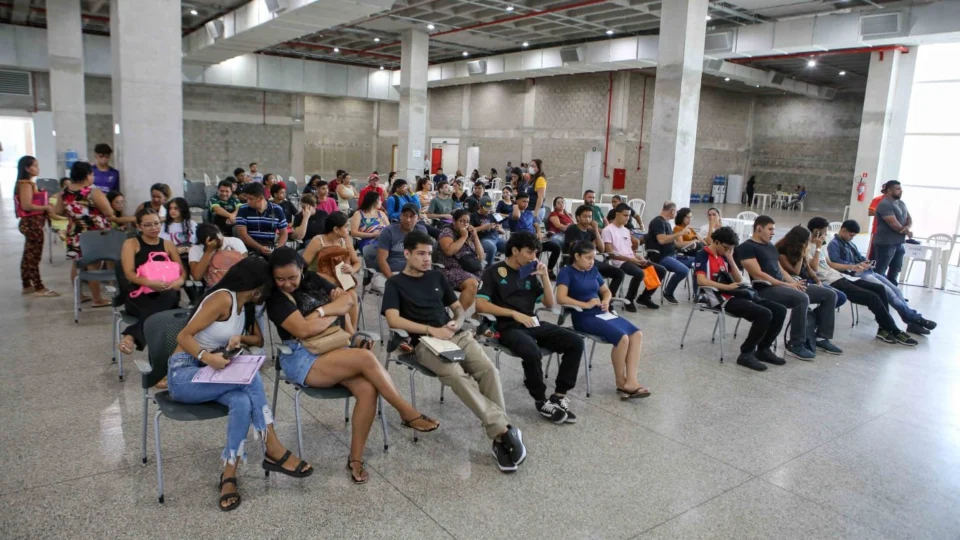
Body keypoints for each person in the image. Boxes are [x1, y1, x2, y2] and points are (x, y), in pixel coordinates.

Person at [268, 247, 440, 483]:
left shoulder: (313, 279)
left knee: (368, 389)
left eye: (292, 277)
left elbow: (349, 299)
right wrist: (333, 309)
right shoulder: (276, 299)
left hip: (331, 346)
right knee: (365, 358)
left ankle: (356, 459)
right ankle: (406, 412)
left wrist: (319, 313)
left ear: (302, 270)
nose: (287, 284)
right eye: (280, 279)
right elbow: (303, 330)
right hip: (300, 356)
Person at [169, 257, 309, 510]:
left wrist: (237, 339)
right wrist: (207, 357)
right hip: (184, 373)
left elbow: (257, 339)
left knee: (243, 402)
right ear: (257, 288)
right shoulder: (222, 298)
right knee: (250, 377)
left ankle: (229, 475)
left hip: (209, 373)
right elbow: (183, 335)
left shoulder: (245, 307)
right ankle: (272, 446)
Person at [382, 231, 526, 472]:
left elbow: (458, 308)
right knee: (456, 375)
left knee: (488, 370)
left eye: (429, 254)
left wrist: (457, 321)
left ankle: (500, 435)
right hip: (425, 343)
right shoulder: (395, 284)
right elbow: (393, 320)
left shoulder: (436, 277)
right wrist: (431, 330)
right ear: (406, 254)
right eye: (420, 254)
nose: (426, 259)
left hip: (456, 335)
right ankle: (504, 431)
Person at [476, 232, 584, 424]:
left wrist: (545, 277)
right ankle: (541, 401)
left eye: (536, 253)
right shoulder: (493, 272)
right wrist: (513, 313)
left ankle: (559, 396)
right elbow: (481, 306)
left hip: (532, 322)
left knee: (575, 341)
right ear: (515, 250)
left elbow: (549, 304)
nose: (533, 257)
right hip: (506, 327)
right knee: (532, 351)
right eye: (529, 252)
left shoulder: (529, 272)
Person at [736, 215, 840, 360]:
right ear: (759, 228)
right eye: (770, 229)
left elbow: (780, 270)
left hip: (782, 285)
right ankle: (796, 344)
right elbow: (758, 274)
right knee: (801, 298)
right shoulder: (747, 247)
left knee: (829, 295)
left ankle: (822, 337)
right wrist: (787, 285)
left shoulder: (770, 246)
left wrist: (793, 283)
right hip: (765, 288)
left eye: (773, 229)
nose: (773, 233)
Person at [556, 240, 650, 398]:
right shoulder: (566, 272)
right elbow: (561, 298)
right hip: (583, 316)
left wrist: (606, 301)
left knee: (636, 334)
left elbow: (606, 291)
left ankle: (632, 381)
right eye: (588, 258)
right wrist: (585, 304)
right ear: (577, 256)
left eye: (593, 258)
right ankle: (621, 382)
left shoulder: (593, 271)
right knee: (622, 338)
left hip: (601, 312)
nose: (591, 262)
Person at [805, 218, 917, 346]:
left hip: (840, 276)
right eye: (824, 232)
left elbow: (830, 264)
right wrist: (818, 248)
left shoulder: (823, 244)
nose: (825, 235)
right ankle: (895, 330)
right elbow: (814, 267)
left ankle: (884, 328)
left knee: (879, 288)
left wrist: (852, 267)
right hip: (830, 281)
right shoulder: (808, 247)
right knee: (872, 297)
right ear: (816, 232)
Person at [694, 227, 787, 371]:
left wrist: (730, 259)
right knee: (764, 314)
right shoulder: (703, 254)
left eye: (730, 249)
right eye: (726, 248)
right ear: (716, 242)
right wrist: (727, 287)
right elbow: (701, 281)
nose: (727, 251)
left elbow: (739, 279)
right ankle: (746, 353)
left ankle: (763, 349)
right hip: (720, 298)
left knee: (780, 310)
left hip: (735, 293)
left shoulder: (724, 256)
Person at [828, 220, 937, 336]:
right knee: (889, 293)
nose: (852, 238)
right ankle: (915, 319)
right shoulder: (834, 244)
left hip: (866, 271)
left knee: (896, 290)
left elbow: (859, 257)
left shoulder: (850, 243)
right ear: (843, 230)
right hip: (854, 275)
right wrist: (856, 265)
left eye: (853, 236)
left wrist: (866, 262)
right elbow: (836, 263)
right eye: (851, 235)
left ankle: (912, 321)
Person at [117, 208, 185, 355]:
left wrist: (178, 282)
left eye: (156, 223)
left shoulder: (168, 244)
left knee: (169, 296)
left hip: (166, 292)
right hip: (139, 295)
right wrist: (149, 283)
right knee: (161, 313)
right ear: (139, 226)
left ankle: (131, 335)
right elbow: (129, 274)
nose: (153, 228)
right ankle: (164, 356)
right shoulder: (131, 244)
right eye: (147, 225)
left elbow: (182, 272)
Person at [58, 161, 115, 307]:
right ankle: (97, 299)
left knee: (76, 264)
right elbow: (109, 212)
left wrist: (74, 215)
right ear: (87, 175)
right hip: (93, 234)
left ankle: (80, 296)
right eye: (92, 174)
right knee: (93, 265)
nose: (93, 177)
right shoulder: (92, 192)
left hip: (74, 232)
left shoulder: (64, 192)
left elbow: (57, 211)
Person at [302, 211, 362, 328]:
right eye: (346, 227)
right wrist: (321, 276)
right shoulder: (318, 241)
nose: (349, 230)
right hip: (320, 282)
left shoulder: (345, 241)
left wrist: (352, 269)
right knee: (344, 298)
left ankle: (353, 332)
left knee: (353, 295)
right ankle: (347, 332)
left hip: (340, 281)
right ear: (336, 229)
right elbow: (302, 267)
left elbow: (357, 262)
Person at [603, 204, 665, 311]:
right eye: (625, 215)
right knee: (639, 273)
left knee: (661, 270)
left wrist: (638, 257)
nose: (627, 218)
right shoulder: (608, 230)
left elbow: (629, 251)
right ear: (617, 214)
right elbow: (611, 253)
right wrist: (631, 259)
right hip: (620, 261)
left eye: (629, 216)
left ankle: (645, 297)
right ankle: (629, 299)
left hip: (631, 259)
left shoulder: (626, 230)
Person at [15, 155, 58, 297]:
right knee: (34, 256)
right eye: (35, 166)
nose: (37, 168)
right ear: (27, 168)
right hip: (32, 224)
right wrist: (46, 207)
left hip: (32, 223)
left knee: (28, 254)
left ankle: (27, 284)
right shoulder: (26, 185)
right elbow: (26, 205)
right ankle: (38, 287)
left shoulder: (27, 184)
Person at [563, 205, 625, 301]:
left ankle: (607, 301)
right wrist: (592, 244)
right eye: (585, 216)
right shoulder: (572, 229)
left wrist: (596, 230)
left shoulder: (590, 231)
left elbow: (602, 249)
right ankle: (598, 300)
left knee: (619, 273)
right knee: (595, 274)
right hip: (575, 262)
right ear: (578, 217)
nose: (588, 219)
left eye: (590, 216)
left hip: (591, 261)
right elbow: (578, 249)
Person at [645, 201, 694, 305]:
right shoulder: (658, 222)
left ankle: (699, 293)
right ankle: (668, 292)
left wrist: (690, 244)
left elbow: (674, 243)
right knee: (684, 270)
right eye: (675, 212)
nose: (675, 214)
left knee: (697, 262)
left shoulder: (666, 223)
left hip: (672, 255)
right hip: (661, 257)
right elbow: (662, 240)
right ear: (672, 211)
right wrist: (680, 233)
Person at [437, 210, 485, 309]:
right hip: (448, 269)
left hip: (469, 268)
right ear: (454, 221)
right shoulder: (447, 232)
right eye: (462, 221)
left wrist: (475, 236)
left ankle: (476, 313)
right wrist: (463, 237)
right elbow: (449, 251)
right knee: (472, 283)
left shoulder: (468, 234)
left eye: (467, 222)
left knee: (492, 280)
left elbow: (481, 256)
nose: (465, 224)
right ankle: (459, 315)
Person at [509, 192, 561, 278]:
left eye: (527, 202)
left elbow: (536, 225)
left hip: (534, 239)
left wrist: (539, 232)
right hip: (521, 241)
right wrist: (515, 206)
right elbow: (516, 216)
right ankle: (530, 272)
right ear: (517, 201)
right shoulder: (513, 214)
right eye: (523, 201)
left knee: (556, 247)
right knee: (535, 248)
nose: (526, 204)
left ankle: (549, 270)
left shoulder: (529, 213)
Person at [872, 180, 911, 283]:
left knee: (896, 269)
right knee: (880, 270)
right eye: (898, 189)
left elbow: (909, 218)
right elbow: (893, 224)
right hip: (886, 243)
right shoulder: (884, 204)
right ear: (889, 191)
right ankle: (878, 290)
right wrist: (906, 231)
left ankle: (893, 290)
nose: (901, 191)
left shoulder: (901, 203)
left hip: (899, 243)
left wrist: (907, 227)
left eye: (901, 189)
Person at [234, 182, 288, 258]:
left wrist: (278, 249)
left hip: (270, 246)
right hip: (250, 247)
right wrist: (260, 247)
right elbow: (243, 235)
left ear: (260, 198)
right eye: (247, 198)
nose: (248, 201)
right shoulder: (243, 209)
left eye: (250, 199)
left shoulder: (277, 209)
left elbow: (284, 233)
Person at [376, 203, 429, 278]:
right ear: (400, 216)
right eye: (405, 215)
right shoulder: (388, 231)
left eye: (412, 216)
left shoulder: (422, 231)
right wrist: (392, 280)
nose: (408, 220)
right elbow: (381, 259)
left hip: (415, 272)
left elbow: (426, 256)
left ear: (418, 218)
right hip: (392, 272)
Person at [352, 191, 389, 270]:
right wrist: (372, 235)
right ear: (374, 201)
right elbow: (353, 233)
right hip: (367, 241)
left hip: (382, 239)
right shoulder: (359, 214)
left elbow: (389, 229)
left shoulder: (381, 213)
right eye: (379, 200)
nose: (381, 202)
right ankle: (377, 269)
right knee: (379, 250)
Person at [471, 199, 506, 267]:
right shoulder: (473, 216)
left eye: (489, 209)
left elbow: (503, 231)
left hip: (496, 238)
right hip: (482, 239)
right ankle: (488, 269)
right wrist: (483, 227)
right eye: (486, 209)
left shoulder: (493, 215)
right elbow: (470, 230)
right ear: (480, 206)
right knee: (492, 248)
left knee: (511, 246)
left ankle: (507, 267)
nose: (488, 211)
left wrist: (499, 229)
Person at [866, 182, 887, 260]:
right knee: (874, 253)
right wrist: (886, 214)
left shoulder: (897, 202)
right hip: (877, 230)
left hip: (889, 233)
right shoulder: (877, 200)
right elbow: (870, 212)